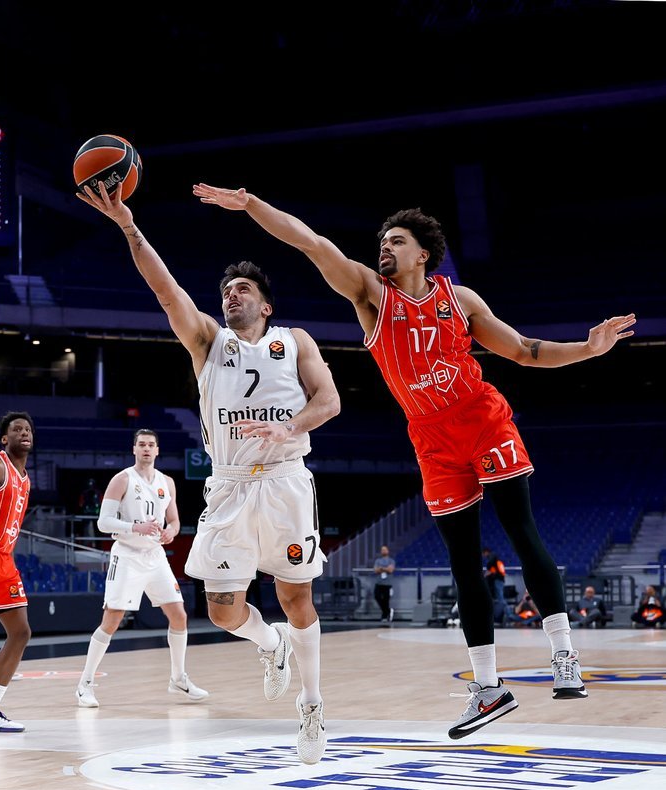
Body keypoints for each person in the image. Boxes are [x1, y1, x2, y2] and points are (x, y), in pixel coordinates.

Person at [193, 183, 636, 740]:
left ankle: (564, 657)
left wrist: (587, 349)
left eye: (396, 240)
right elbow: (311, 243)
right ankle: (487, 689)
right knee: (463, 563)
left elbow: (524, 350)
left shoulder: (461, 300)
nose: (384, 246)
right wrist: (252, 205)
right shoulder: (370, 295)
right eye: (382, 240)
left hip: (481, 418)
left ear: (423, 253)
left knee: (522, 533)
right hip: (431, 437)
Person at [76, 181, 341, 765]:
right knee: (222, 609)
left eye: (243, 289)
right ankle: (269, 644)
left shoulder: (294, 341)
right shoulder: (207, 342)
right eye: (226, 291)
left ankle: (312, 706)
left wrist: (290, 426)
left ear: (265, 305)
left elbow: (329, 401)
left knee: (295, 595)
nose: (231, 296)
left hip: (285, 480)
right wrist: (127, 225)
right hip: (229, 486)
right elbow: (165, 289)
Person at [75, 429, 208, 708]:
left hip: (155, 556)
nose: (146, 448)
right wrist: (136, 527)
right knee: (112, 619)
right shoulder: (122, 479)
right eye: (141, 444)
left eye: (151, 445)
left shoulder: (167, 482)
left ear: (157, 450)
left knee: (179, 616)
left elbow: (174, 521)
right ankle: (84, 684)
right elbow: (103, 522)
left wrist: (171, 532)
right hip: (127, 555)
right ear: (134, 449)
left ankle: (178, 678)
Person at [0, 412, 34, 732]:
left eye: (28, 429)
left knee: (20, 632)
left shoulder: (25, 478)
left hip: (4, 561)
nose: (24, 432)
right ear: (5, 439)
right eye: (17, 429)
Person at [373, 544, 396, 622]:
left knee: (386, 600)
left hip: (387, 584)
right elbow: (376, 570)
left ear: (388, 551)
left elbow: (390, 570)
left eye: (385, 550)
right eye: (382, 550)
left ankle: (384, 615)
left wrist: (381, 568)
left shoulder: (391, 561)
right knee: (377, 597)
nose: (383, 551)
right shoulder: (378, 561)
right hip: (378, 583)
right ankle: (388, 611)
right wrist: (385, 568)